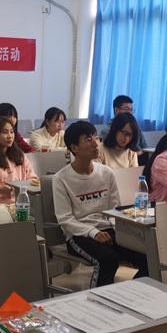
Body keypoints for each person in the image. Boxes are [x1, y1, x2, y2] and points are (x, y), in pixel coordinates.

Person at [54, 121, 149, 288]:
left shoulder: (106, 172)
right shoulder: (61, 178)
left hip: (108, 229)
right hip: (79, 234)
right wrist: (94, 233)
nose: (95, 143)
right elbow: (65, 219)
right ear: (74, 148)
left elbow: (114, 209)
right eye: (88, 139)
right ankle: (97, 300)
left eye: (96, 137)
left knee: (148, 255)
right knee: (108, 259)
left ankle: (132, 293)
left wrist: (120, 232)